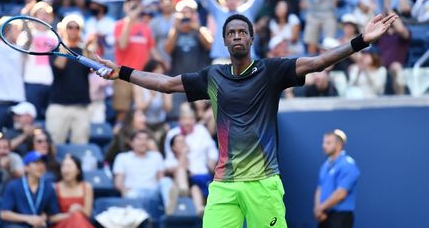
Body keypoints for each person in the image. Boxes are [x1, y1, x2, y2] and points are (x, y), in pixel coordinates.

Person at [95, 13, 398, 228]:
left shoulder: (272, 71)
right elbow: (165, 84)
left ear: (251, 38)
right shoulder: (212, 76)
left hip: (263, 184)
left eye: (242, 32)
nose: (237, 36)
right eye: (231, 33)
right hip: (224, 185)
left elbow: (318, 61)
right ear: (225, 41)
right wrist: (121, 72)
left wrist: (361, 41)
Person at [45, 14, 91, 145]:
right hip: (59, 105)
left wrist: (88, 48)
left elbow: (91, 69)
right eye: (69, 27)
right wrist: (64, 45)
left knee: (81, 145)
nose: (73, 30)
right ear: (64, 29)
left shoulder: (84, 51)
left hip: (80, 106)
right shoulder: (54, 50)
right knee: (55, 144)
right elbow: (59, 66)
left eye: (77, 27)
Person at [113, 130, 174, 214]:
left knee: (166, 181)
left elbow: (161, 178)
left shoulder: (156, 156)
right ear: (131, 143)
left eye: (146, 139)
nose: (143, 142)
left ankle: (170, 211)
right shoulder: (122, 157)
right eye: (139, 139)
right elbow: (118, 182)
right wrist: (124, 190)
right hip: (134, 190)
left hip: (153, 191)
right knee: (131, 195)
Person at [0, 151, 61, 227]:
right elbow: (4, 214)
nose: (40, 166)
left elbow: (52, 214)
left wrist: (43, 218)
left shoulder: (48, 187)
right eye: (36, 163)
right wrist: (28, 219)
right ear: (26, 167)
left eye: (42, 163)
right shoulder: (13, 185)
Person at [314, 129, 360, 228]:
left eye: (328, 143)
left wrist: (320, 208)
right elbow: (319, 188)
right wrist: (318, 209)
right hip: (324, 216)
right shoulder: (325, 165)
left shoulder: (348, 165)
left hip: (340, 217)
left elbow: (341, 193)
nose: (324, 146)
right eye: (324, 142)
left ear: (339, 145)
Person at [52, 155, 94, 228]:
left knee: (78, 218)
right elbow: (51, 218)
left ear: (78, 170)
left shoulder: (87, 187)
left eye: (69, 166)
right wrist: (71, 214)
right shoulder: (54, 188)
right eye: (63, 166)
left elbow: (88, 214)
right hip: (62, 224)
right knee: (76, 216)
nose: (66, 170)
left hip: (81, 223)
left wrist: (79, 209)